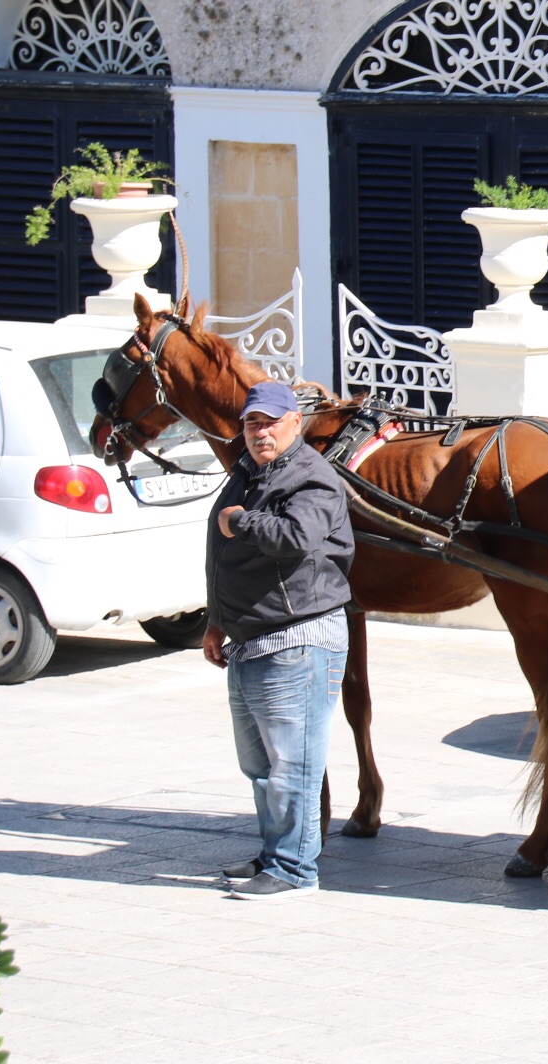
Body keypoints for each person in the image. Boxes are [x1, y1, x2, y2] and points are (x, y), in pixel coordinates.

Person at [201, 380, 355, 900]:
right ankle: (274, 856)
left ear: (295, 423)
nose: (260, 431)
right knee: (262, 765)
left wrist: (241, 521)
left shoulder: (313, 477)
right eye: (252, 422)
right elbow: (219, 552)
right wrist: (215, 621)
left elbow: (296, 539)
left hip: (298, 639)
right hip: (247, 636)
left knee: (295, 764)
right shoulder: (248, 473)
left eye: (270, 421)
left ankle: (294, 870)